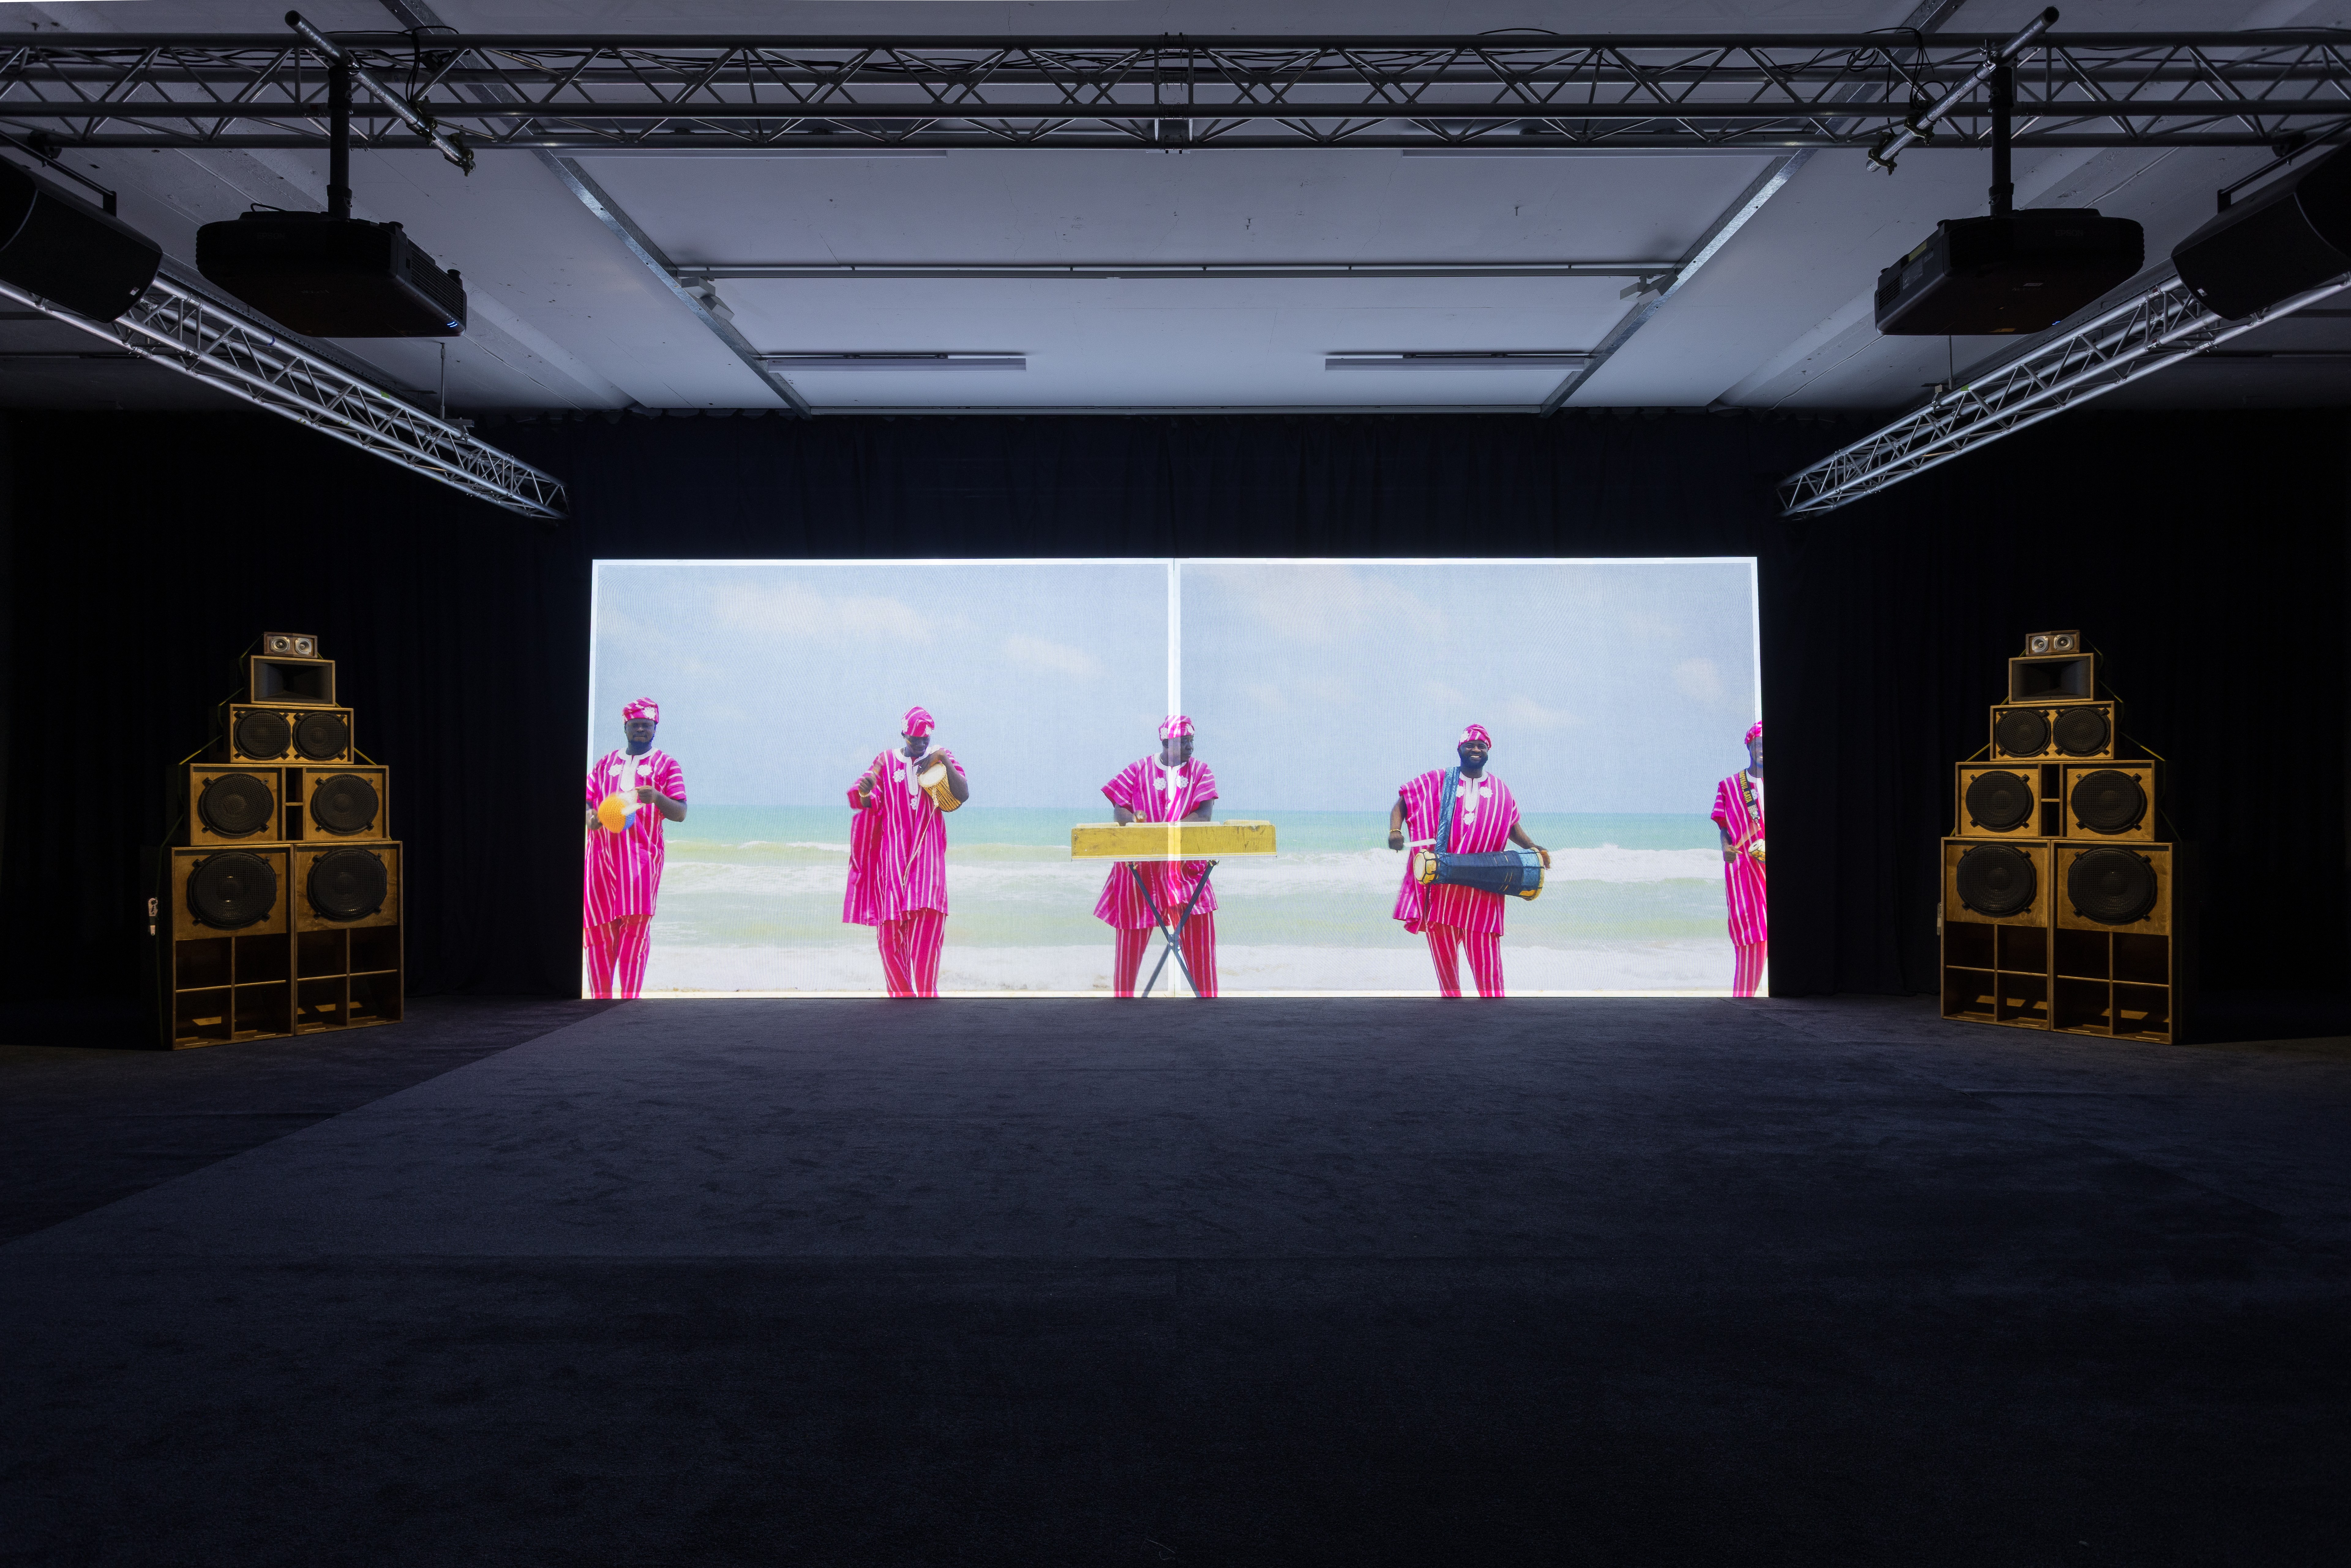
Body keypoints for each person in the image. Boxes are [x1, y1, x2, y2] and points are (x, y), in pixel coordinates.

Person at [1387, 724, 1550, 998]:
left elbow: (1512, 827)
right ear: (1460, 749)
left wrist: (1533, 848)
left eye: (1482, 746)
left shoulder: (1501, 790)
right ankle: (1454, 1023)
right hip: (1443, 892)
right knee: (1448, 979)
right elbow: (1403, 801)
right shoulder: (1438, 780)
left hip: (1484, 895)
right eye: (1471, 745)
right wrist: (1395, 830)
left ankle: (1493, 1022)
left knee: (1490, 978)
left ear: (1488, 751)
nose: (1476, 750)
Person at [844, 705, 969, 997]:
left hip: (928, 863)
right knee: (889, 939)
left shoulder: (940, 756)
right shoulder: (886, 761)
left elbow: (962, 795)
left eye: (925, 740)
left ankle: (926, 1004)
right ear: (904, 735)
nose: (920, 745)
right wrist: (865, 792)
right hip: (893, 862)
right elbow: (868, 800)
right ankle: (902, 1003)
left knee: (927, 936)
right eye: (915, 741)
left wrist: (941, 760)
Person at [1095, 715, 1220, 997]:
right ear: (1166, 742)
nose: (1191, 747)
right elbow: (1121, 810)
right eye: (1184, 742)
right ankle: (1123, 1004)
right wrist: (1142, 827)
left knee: (1200, 943)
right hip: (1141, 869)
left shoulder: (1201, 771)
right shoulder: (1138, 769)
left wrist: (1164, 836)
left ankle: (1210, 1005)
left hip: (1187, 870)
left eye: (1192, 741)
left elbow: (1203, 815)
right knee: (1129, 944)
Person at [582, 698, 688, 1000]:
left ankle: (629, 1002)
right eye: (635, 725)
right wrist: (591, 817)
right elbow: (588, 799)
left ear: (655, 727)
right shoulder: (605, 763)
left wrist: (656, 797)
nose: (641, 730)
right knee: (599, 929)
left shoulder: (666, 764)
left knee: (636, 929)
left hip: (641, 860)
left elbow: (680, 812)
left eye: (647, 725)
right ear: (625, 727)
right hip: (600, 858)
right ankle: (599, 1001)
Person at [1711, 721, 1767, 998]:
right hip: (1746, 873)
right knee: (1751, 939)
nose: (1762, 750)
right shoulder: (1732, 785)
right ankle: (1742, 1003)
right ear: (1749, 746)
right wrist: (1726, 847)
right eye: (1758, 745)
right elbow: (1723, 824)